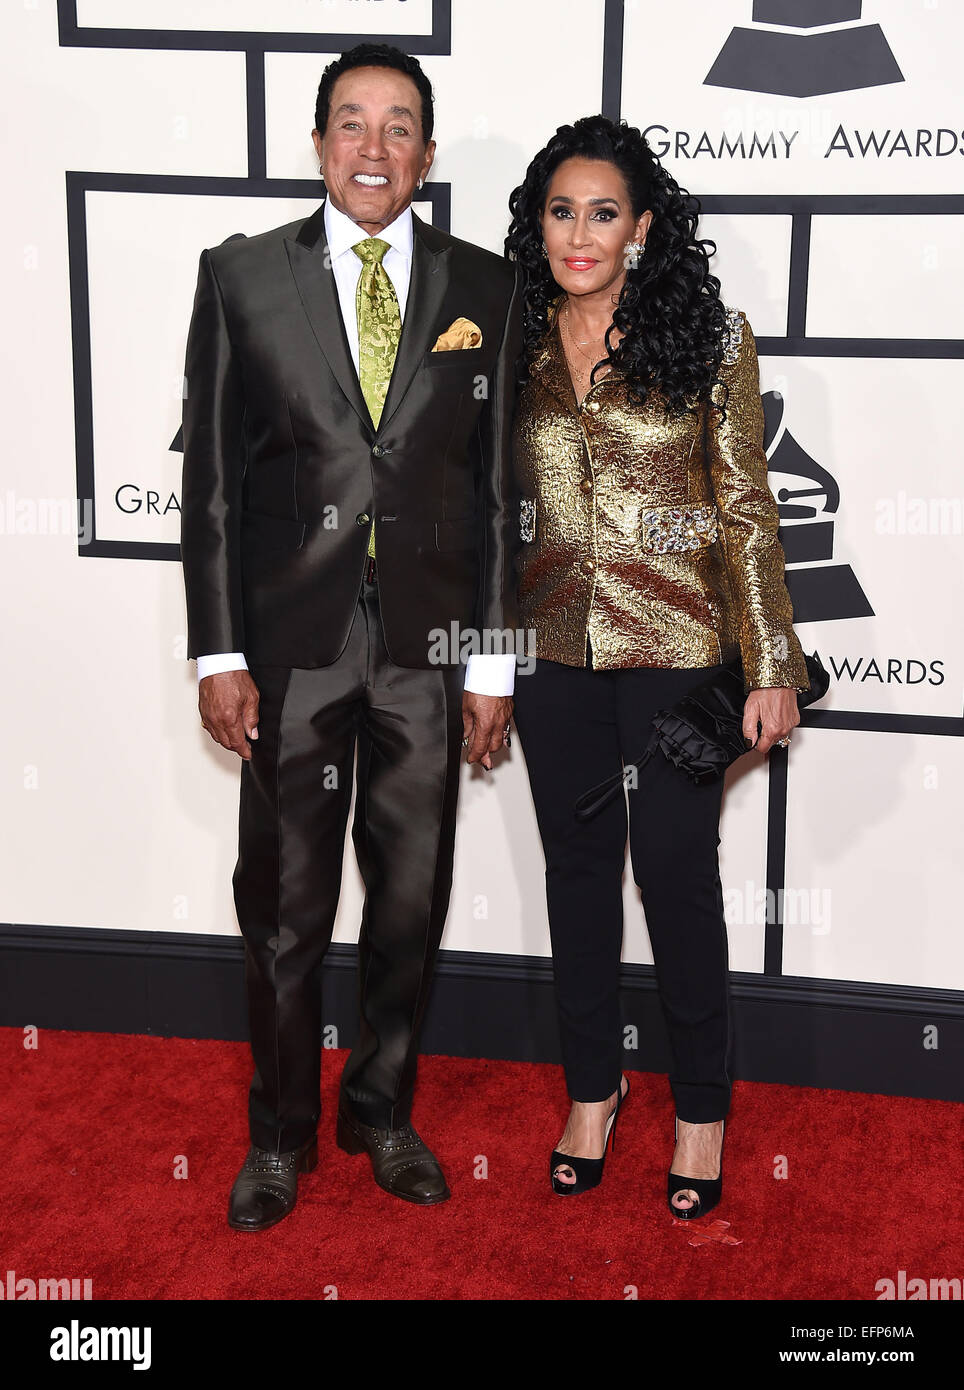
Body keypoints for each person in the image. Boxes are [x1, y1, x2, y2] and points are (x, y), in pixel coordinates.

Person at [180, 43, 520, 1231]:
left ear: (425, 153)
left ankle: (379, 1110)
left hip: (428, 648)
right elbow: (214, 486)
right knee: (281, 903)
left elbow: (495, 489)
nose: (373, 148)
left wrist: (491, 660)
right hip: (291, 643)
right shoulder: (240, 278)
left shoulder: (489, 285)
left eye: (398, 127)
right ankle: (276, 1133)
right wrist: (219, 653)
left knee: (411, 899)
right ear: (318, 142)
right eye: (350, 123)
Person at [506, 115, 809, 1217]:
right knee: (576, 874)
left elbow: (744, 506)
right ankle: (592, 1091)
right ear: (535, 220)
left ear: (640, 226)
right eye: (558, 209)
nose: (578, 233)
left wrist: (770, 659)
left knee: (674, 876)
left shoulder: (707, 336)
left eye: (602, 212)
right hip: (551, 653)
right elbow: (498, 517)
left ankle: (698, 1108)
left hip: (680, 651)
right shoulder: (511, 336)